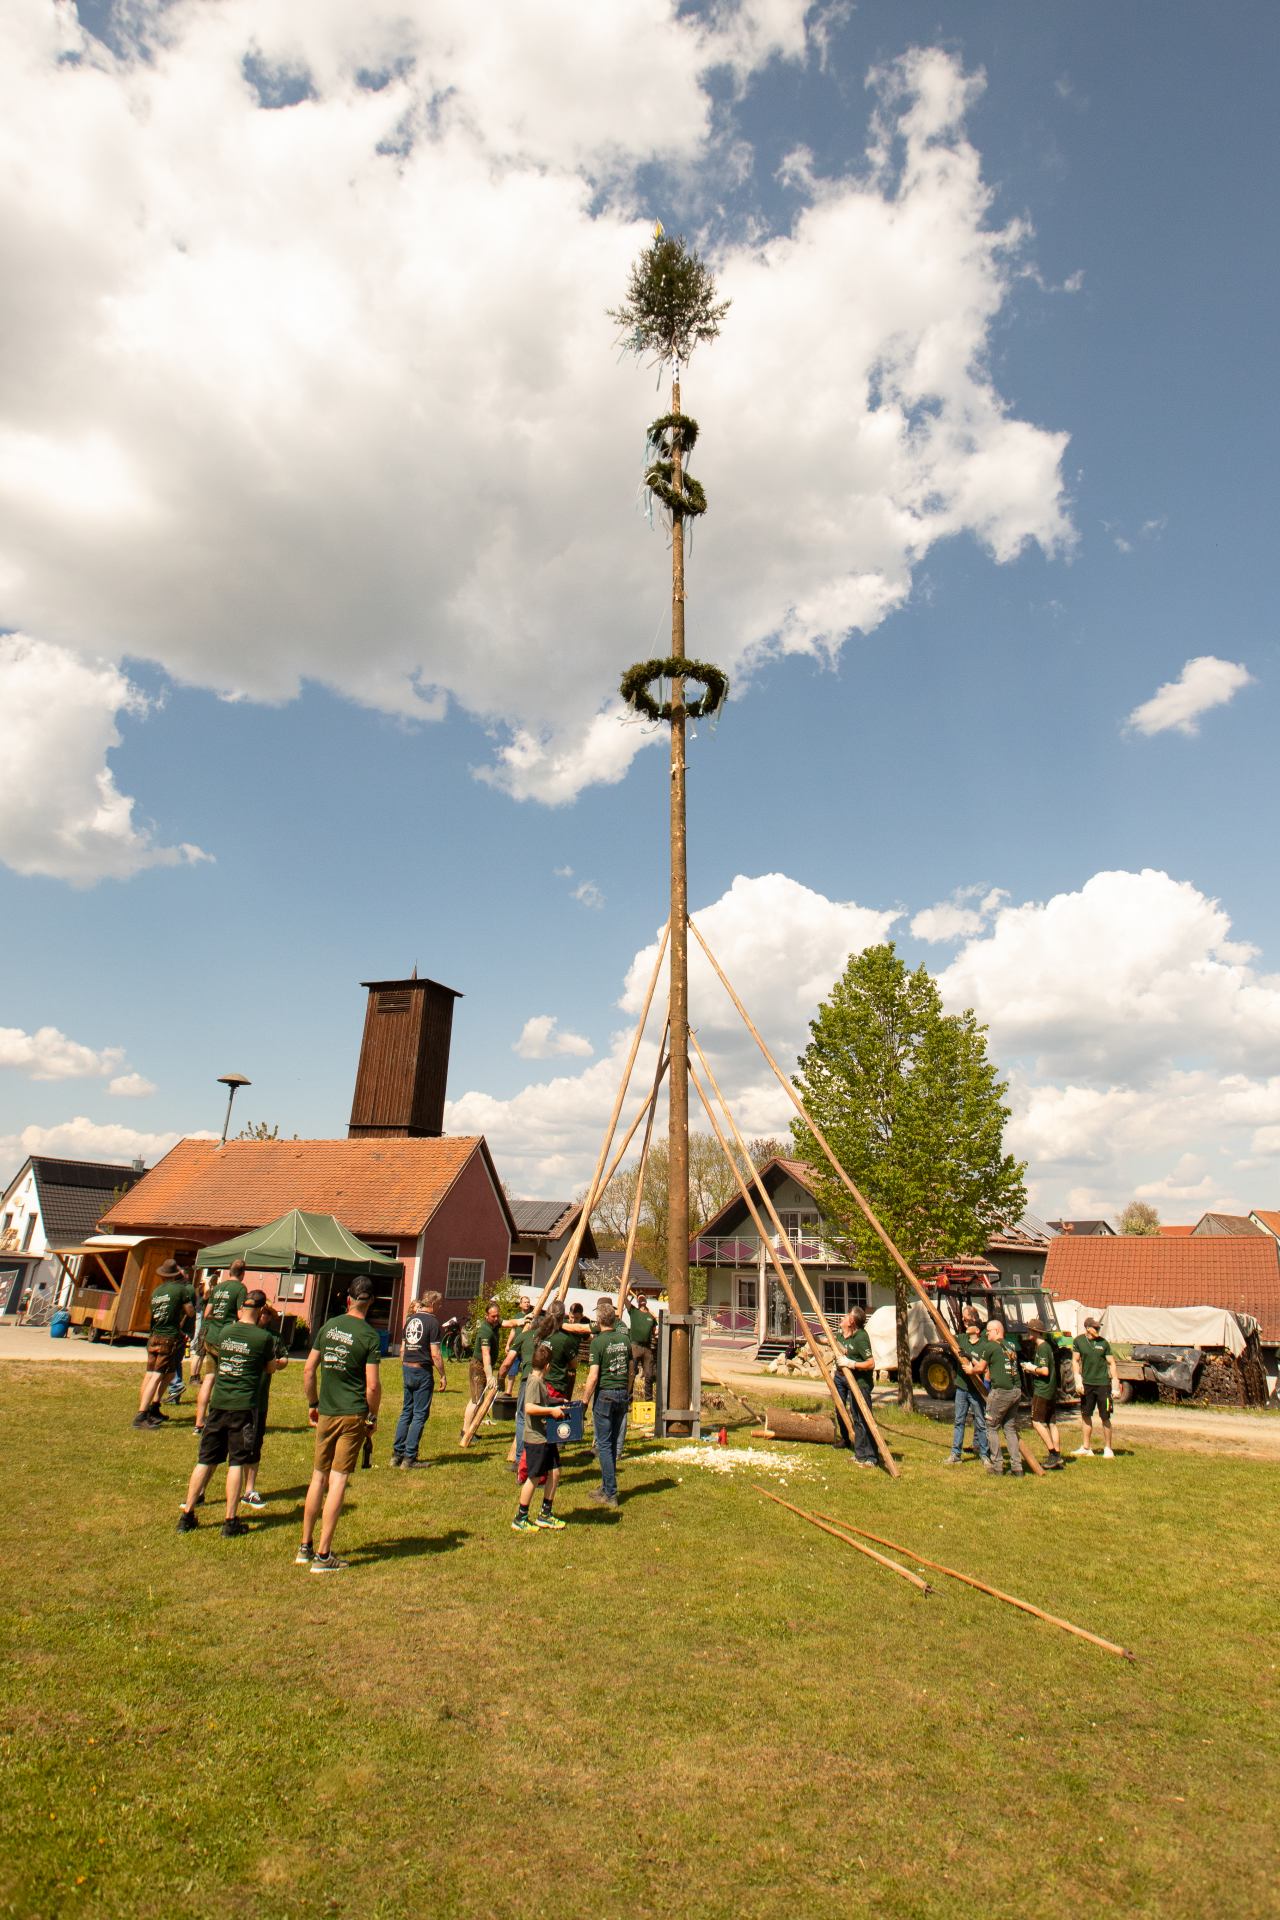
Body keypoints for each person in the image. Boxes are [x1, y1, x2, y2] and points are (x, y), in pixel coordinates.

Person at [176, 1294, 286, 1535]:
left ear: (240, 1310)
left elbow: (215, 1353)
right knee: (236, 1462)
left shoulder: (225, 1332)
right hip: (243, 1406)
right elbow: (270, 1368)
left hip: (219, 1403)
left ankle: (187, 1514)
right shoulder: (263, 1338)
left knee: (205, 1459)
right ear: (259, 1311)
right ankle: (230, 1520)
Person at [298, 1276, 383, 1572]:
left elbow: (309, 1369)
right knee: (338, 1480)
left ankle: (305, 1546)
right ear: (370, 1302)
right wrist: (372, 1416)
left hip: (327, 1411)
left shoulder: (328, 1327)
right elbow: (372, 1386)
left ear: (348, 1299)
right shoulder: (369, 1336)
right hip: (352, 1413)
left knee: (318, 1477)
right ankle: (323, 1555)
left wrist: (313, 1404)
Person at [134, 1260, 197, 1427]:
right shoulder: (180, 1290)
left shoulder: (156, 1292)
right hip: (169, 1337)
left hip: (154, 1335)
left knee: (164, 1373)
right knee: (158, 1375)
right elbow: (190, 1311)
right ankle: (141, 1415)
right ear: (177, 1274)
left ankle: (153, 1407)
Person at [511, 1343, 566, 1532]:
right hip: (536, 1438)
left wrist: (556, 1402)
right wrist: (551, 1410)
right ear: (547, 1366)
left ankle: (545, 1514)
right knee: (534, 1477)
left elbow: (540, 1401)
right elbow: (529, 1408)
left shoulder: (540, 1381)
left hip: (546, 1436)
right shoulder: (534, 1381)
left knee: (555, 1471)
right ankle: (521, 1517)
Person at [583, 1302, 633, 1508]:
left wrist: (585, 1400)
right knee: (611, 1444)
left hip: (605, 1395)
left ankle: (610, 1492)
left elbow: (593, 1376)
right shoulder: (624, 1339)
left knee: (603, 1445)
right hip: (622, 1394)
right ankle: (605, 1487)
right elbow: (631, 1369)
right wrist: (628, 1392)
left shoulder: (598, 1342)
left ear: (599, 1321)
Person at [241, 1296, 289, 1508]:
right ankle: (200, 1494)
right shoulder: (248, 1335)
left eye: (268, 1314)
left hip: (257, 1399)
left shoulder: (273, 1337)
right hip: (243, 1399)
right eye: (263, 1312)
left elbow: (281, 1361)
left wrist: (281, 1362)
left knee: (253, 1445)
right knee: (231, 1447)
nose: (265, 1317)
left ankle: (249, 1489)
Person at [195, 1259, 250, 1431]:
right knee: (227, 1377)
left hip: (211, 1336)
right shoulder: (240, 1288)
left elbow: (207, 1312)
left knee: (209, 1378)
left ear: (229, 1271)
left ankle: (199, 1422)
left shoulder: (218, 1287)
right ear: (242, 1273)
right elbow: (241, 1315)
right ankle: (222, 1419)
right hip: (226, 1338)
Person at [392, 1291, 445, 1469]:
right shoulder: (432, 1322)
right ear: (433, 1304)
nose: (440, 1308)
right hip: (422, 1370)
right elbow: (435, 1354)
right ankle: (409, 1458)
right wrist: (442, 1375)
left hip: (407, 1366)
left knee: (406, 1411)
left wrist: (404, 1364)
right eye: (439, 1304)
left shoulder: (410, 1320)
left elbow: (404, 1347)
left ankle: (396, 1455)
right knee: (419, 1414)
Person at [976, 1316, 1026, 1477]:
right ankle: (1017, 1467)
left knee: (991, 1426)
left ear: (997, 1331)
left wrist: (970, 1369)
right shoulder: (1010, 1346)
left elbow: (980, 1368)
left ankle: (997, 1465)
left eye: (989, 1331)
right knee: (1009, 1428)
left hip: (1001, 1391)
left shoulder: (991, 1346)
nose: (986, 1334)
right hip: (1016, 1391)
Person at [832, 1308, 878, 1467]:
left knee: (865, 1419)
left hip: (862, 1385)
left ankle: (871, 1457)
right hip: (853, 1383)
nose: (844, 1317)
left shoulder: (861, 1338)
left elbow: (871, 1363)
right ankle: (860, 1455)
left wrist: (852, 1364)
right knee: (857, 1419)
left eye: (847, 1316)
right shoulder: (852, 1336)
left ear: (852, 1321)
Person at [947, 1306, 991, 1465]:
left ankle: (985, 1454)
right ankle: (955, 1454)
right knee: (959, 1421)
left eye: (966, 1319)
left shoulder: (984, 1344)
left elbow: (985, 1367)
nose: (964, 1322)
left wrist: (971, 1363)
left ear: (974, 1322)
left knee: (981, 1422)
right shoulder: (961, 1339)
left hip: (977, 1389)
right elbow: (946, 1336)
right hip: (961, 1388)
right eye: (963, 1319)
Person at [1072, 1317, 1120, 1457]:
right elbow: (1075, 1360)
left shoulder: (1103, 1343)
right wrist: (1077, 1380)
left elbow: (1111, 1363)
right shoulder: (1079, 1341)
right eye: (1095, 1328)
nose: (1098, 1330)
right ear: (1087, 1328)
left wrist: (1115, 1384)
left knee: (1105, 1416)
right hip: (1087, 1385)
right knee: (1085, 1414)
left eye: (1099, 1327)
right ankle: (1086, 1447)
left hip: (1103, 1385)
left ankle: (1108, 1448)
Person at [1023, 1317, 1064, 1469]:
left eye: (1029, 1330)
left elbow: (1045, 1371)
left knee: (1036, 1422)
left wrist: (1031, 1368)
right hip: (1051, 1390)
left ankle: (1052, 1453)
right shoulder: (1047, 1347)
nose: (1027, 1333)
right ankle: (1057, 1455)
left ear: (1035, 1332)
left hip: (1042, 1390)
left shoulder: (1042, 1348)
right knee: (1051, 1423)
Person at [463, 1298, 504, 1438]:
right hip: (478, 1367)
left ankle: (471, 1431)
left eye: (498, 1315)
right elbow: (486, 1354)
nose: (496, 1318)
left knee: (478, 1400)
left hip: (483, 1366)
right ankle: (465, 1431)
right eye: (493, 1316)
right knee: (476, 1400)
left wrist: (523, 1320)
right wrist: (489, 1375)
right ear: (486, 1316)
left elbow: (509, 1323)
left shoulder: (495, 1324)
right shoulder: (485, 1331)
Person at [627, 1290, 658, 1400]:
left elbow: (655, 1332)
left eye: (643, 1298)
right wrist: (628, 1286)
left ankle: (648, 1400)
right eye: (640, 1298)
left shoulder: (651, 1316)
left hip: (647, 1348)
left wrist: (658, 1323)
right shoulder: (633, 1311)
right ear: (637, 1301)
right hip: (635, 1346)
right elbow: (625, 1300)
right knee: (632, 1373)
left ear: (646, 1300)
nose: (642, 1299)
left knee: (649, 1375)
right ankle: (628, 1400)